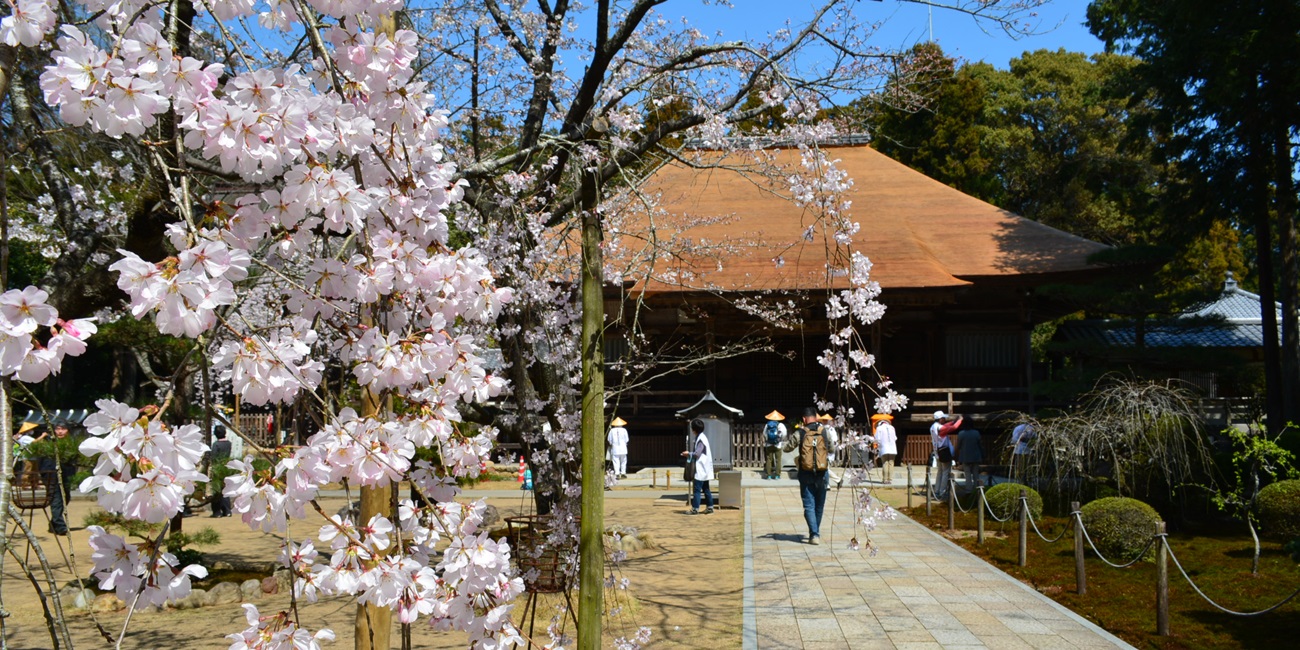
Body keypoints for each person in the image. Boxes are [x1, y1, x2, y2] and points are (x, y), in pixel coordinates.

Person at [783, 407, 836, 544]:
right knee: (819, 505)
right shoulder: (824, 432)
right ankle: (815, 533)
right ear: (816, 418)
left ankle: (814, 533)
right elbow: (831, 449)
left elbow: (787, 448)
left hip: (805, 473)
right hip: (822, 473)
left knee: (808, 505)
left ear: (804, 419)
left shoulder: (800, 432)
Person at [39, 419, 77, 536]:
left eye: (63, 429)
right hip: (51, 473)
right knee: (56, 499)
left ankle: (53, 524)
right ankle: (60, 526)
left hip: (66, 474)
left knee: (66, 498)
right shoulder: (48, 442)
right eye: (57, 429)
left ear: (68, 430)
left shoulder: (71, 443)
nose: (60, 432)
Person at [680, 418, 714, 514]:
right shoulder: (702, 437)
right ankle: (710, 507)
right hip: (705, 468)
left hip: (701, 468)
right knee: (706, 489)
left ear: (694, 429)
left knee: (697, 489)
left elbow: (697, 454)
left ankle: (695, 509)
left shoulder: (701, 439)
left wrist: (688, 454)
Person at [953, 417, 983, 494]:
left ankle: (968, 490)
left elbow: (958, 446)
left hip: (965, 456)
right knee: (976, 473)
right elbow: (980, 445)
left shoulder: (961, 433)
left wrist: (956, 456)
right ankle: (977, 490)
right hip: (975, 456)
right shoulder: (976, 433)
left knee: (967, 474)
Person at [930, 410, 955, 501]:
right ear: (940, 419)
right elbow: (952, 427)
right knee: (945, 472)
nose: (944, 419)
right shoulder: (940, 428)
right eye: (943, 418)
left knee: (940, 472)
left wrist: (952, 421)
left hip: (938, 452)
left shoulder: (933, 427)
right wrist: (958, 421)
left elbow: (947, 425)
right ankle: (942, 491)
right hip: (944, 451)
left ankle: (937, 490)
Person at [209, 425, 233, 517]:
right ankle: (227, 511)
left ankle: (217, 511)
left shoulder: (216, 445)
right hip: (225, 467)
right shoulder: (228, 444)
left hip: (217, 468)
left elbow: (214, 457)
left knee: (216, 490)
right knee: (225, 490)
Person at [872, 414, 897, 484]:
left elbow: (877, 439)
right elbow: (895, 438)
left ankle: (885, 479)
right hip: (893, 448)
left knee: (885, 463)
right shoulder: (892, 428)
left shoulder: (879, 428)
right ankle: (890, 479)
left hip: (884, 448)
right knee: (891, 463)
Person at [761, 410, 787, 480]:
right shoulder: (780, 425)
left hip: (769, 444)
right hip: (777, 445)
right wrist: (779, 440)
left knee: (769, 459)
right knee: (778, 460)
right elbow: (784, 434)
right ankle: (777, 475)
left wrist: (767, 440)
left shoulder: (767, 425)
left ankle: (769, 475)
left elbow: (764, 434)